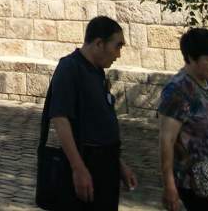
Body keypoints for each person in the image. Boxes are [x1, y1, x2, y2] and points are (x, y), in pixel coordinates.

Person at [42, 15, 138, 211]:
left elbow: (98, 124)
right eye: (117, 46)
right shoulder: (70, 68)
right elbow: (60, 119)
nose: (118, 54)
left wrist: (119, 165)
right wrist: (78, 169)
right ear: (99, 43)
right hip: (86, 164)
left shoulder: (97, 72)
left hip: (106, 166)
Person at [158, 28, 208, 211]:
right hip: (195, 182)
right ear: (191, 58)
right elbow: (166, 140)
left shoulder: (206, 82)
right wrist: (169, 185)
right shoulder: (178, 90)